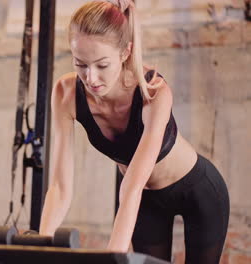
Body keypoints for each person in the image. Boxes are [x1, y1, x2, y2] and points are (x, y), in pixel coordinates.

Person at [38, 1, 230, 263]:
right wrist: (40, 249)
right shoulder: (66, 93)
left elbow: (132, 185)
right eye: (80, 64)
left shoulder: (154, 92)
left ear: (125, 52)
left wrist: (111, 256)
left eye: (102, 65)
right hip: (147, 202)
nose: (90, 78)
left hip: (198, 191)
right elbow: (60, 186)